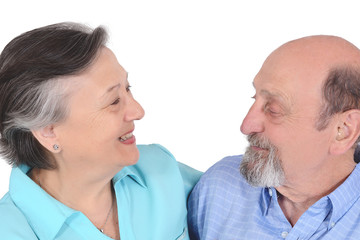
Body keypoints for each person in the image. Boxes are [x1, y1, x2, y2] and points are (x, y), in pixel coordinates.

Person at [0, 22, 201, 240]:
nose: (138, 111)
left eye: (128, 88)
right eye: (114, 101)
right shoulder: (10, 231)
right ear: (49, 132)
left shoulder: (161, 169)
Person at [188, 35, 360, 239]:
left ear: (343, 130)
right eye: (255, 98)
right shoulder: (218, 187)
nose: (246, 125)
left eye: (274, 109)